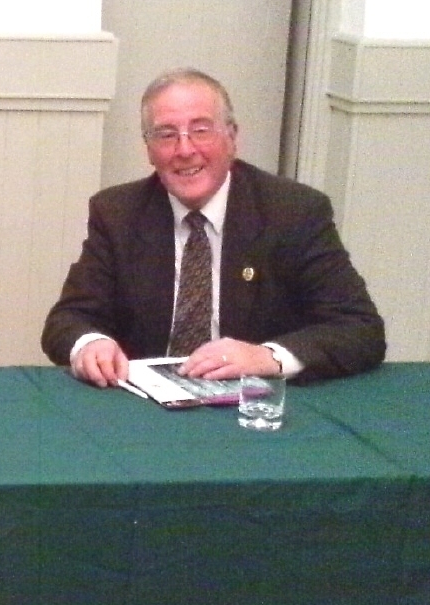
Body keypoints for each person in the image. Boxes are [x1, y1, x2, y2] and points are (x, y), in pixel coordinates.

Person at [42, 67, 384, 387]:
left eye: (201, 130)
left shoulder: (293, 212)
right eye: (166, 135)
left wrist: (268, 357)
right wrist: (90, 344)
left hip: (252, 407)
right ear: (148, 148)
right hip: (146, 410)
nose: (185, 149)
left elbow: (359, 329)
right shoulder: (118, 213)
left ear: (232, 137)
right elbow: (67, 320)